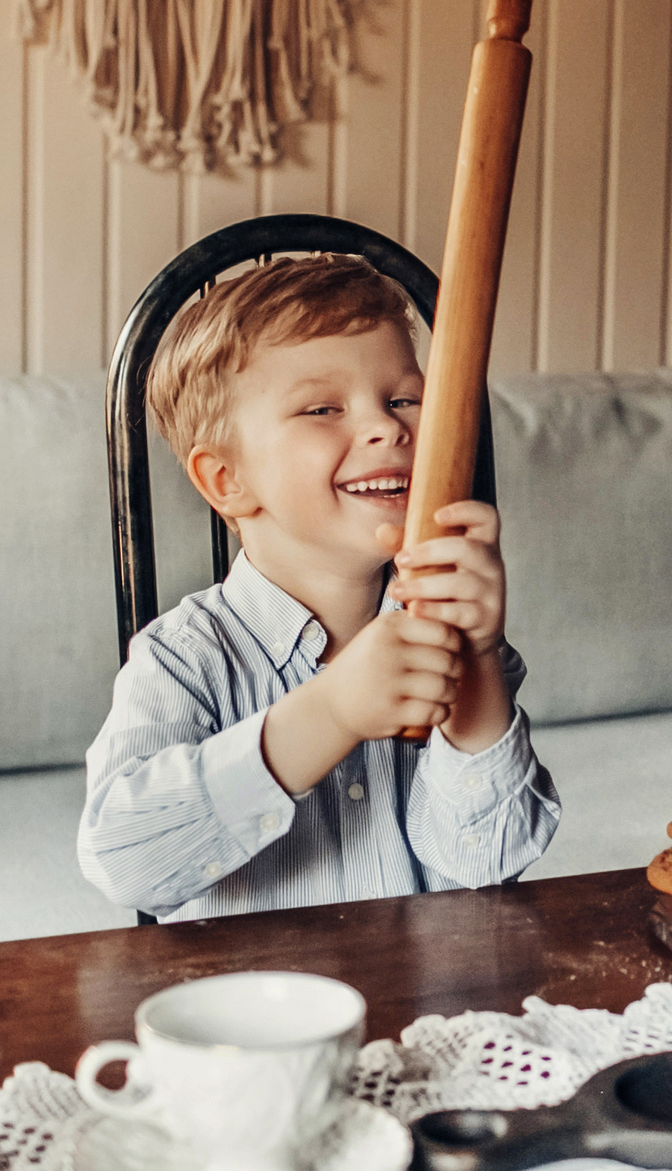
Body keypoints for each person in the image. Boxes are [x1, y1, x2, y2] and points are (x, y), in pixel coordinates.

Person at [79, 255, 559, 919]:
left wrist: (477, 662)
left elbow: (488, 862)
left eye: (404, 399)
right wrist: (330, 712)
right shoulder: (183, 659)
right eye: (323, 407)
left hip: (426, 1014)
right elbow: (127, 864)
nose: (388, 427)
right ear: (226, 480)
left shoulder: (445, 633)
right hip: (254, 1016)